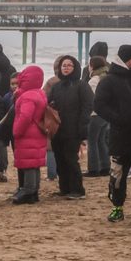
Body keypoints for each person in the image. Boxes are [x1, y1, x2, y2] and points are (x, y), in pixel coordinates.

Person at [94, 45, 131, 222]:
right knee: (118, 175)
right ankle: (117, 208)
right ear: (124, 60)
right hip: (120, 137)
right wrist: (118, 119)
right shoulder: (108, 81)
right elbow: (99, 105)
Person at [46, 54, 93, 200]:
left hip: (74, 129)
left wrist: (82, 127)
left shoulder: (81, 85)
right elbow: (49, 104)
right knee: (60, 159)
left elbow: (88, 106)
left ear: (75, 68)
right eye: (63, 65)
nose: (66, 68)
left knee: (71, 159)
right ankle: (64, 188)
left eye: (69, 65)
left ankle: (78, 190)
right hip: (58, 129)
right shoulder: (56, 86)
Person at [11, 66, 48, 204]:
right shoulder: (39, 93)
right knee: (34, 164)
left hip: (28, 133)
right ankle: (33, 192)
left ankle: (28, 190)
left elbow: (25, 116)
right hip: (37, 132)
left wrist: (16, 131)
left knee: (29, 164)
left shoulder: (27, 96)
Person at [84, 55, 112, 178]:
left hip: (95, 115)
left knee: (92, 142)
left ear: (92, 66)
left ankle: (93, 169)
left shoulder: (94, 80)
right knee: (101, 141)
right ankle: (105, 167)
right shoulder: (107, 77)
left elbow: (92, 99)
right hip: (106, 114)